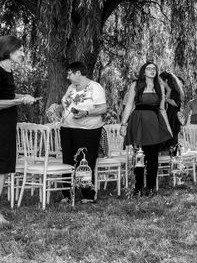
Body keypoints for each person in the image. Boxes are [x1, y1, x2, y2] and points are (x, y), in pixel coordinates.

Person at [0, 36, 38, 226]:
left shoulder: (7, 71)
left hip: (7, 126)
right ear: (8, 50)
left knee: (4, 169)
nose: (23, 54)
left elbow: (6, 94)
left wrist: (23, 96)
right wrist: (19, 101)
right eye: (20, 50)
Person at [120, 62, 172, 196]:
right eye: (149, 68)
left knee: (153, 157)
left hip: (154, 123)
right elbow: (129, 105)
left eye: (154, 69)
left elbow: (162, 109)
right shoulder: (135, 85)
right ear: (143, 71)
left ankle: (150, 188)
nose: (152, 70)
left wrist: (168, 127)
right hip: (138, 122)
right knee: (139, 156)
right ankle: (137, 188)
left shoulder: (160, 86)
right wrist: (123, 124)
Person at [59, 61, 108, 203]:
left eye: (69, 74)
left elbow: (103, 108)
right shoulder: (71, 87)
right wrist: (58, 109)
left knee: (84, 161)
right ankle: (67, 193)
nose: (68, 77)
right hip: (67, 129)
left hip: (88, 130)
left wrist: (86, 112)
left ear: (78, 73)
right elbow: (67, 105)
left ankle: (87, 194)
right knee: (68, 160)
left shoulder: (95, 87)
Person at [159, 72, 184, 154]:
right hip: (164, 118)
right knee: (162, 142)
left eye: (160, 81)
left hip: (172, 119)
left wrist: (166, 98)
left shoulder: (175, 91)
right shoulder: (163, 90)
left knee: (171, 142)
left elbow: (176, 104)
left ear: (166, 81)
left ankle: (172, 160)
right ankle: (163, 161)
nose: (159, 82)